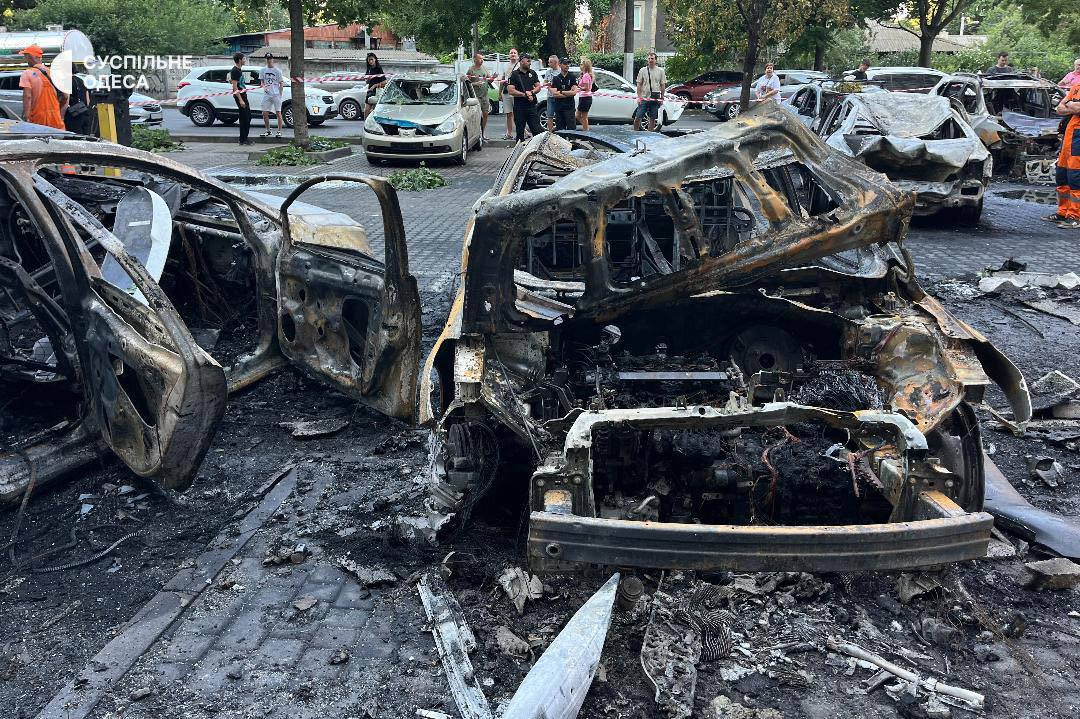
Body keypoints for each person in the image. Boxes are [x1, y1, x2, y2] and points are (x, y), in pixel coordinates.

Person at [1049, 83, 1080, 228]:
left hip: (1078, 138)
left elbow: (1077, 108)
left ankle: (1075, 216)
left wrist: (1069, 104)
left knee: (1075, 177)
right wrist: (1072, 106)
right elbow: (1059, 108)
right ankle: (1063, 212)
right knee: (1062, 175)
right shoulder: (1077, 87)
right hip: (1069, 136)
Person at [18, 45, 66, 130]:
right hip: (55, 118)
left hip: (38, 119)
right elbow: (65, 96)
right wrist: (57, 109)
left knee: (39, 138)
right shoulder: (53, 73)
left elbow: (27, 96)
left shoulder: (27, 73)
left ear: (30, 57)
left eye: (26, 56)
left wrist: (26, 116)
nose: (26, 59)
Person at [508, 52, 541, 141]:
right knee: (520, 133)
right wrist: (524, 94)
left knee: (536, 131)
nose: (530, 63)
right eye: (528, 61)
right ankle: (519, 149)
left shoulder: (532, 73)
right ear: (522, 61)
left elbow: (538, 87)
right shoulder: (514, 74)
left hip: (531, 106)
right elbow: (511, 90)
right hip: (519, 107)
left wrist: (531, 92)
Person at [634, 51, 666, 131]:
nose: (650, 60)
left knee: (652, 118)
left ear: (656, 60)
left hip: (655, 98)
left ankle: (649, 135)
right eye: (649, 59)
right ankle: (635, 133)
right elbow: (639, 84)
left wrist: (662, 97)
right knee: (638, 117)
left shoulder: (661, 71)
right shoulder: (642, 70)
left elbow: (662, 85)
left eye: (652, 58)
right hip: (644, 98)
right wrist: (639, 97)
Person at [466, 52, 491, 141]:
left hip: (485, 95)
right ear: (475, 59)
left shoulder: (484, 68)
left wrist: (493, 78)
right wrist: (475, 83)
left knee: (485, 114)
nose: (482, 60)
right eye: (480, 58)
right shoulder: (471, 70)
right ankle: (476, 135)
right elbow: (467, 83)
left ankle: (482, 133)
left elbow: (490, 79)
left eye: (482, 59)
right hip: (476, 96)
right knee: (477, 115)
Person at [259, 52, 285, 138]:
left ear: (273, 59)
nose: (269, 60)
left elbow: (281, 83)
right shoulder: (263, 70)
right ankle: (268, 130)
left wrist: (280, 93)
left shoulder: (277, 71)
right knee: (264, 113)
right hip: (267, 94)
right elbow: (262, 81)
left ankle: (279, 131)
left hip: (276, 94)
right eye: (267, 59)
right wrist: (264, 87)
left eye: (270, 59)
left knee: (278, 112)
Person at [229, 52, 252, 145]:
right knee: (245, 118)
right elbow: (235, 88)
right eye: (244, 59)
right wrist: (240, 100)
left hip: (243, 95)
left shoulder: (239, 70)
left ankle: (243, 138)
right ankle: (243, 139)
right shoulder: (235, 71)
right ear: (239, 60)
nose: (245, 60)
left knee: (247, 117)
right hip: (240, 96)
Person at [549, 57, 577, 131]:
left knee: (571, 130)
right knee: (560, 130)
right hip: (559, 108)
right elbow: (555, 94)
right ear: (560, 64)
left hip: (569, 107)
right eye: (565, 64)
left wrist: (561, 92)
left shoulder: (572, 77)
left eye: (568, 64)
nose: (567, 65)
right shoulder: (556, 78)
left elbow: (574, 93)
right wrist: (568, 93)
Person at [64, 69, 93, 135]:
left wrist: (62, 115)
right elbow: (88, 101)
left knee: (74, 137)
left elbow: (66, 99)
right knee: (85, 136)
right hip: (85, 112)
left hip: (73, 115)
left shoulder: (67, 82)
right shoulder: (81, 81)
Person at [501, 48, 519, 139]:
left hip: (516, 92)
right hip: (506, 92)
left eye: (514, 53)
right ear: (509, 55)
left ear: (517, 55)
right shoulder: (505, 66)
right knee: (508, 113)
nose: (513, 54)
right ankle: (509, 133)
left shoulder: (520, 65)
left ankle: (520, 133)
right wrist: (500, 92)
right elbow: (502, 79)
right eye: (511, 53)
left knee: (518, 113)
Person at [363, 53, 387, 119]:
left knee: (376, 111)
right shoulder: (369, 68)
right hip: (370, 91)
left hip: (378, 92)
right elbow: (367, 82)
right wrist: (367, 79)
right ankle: (366, 123)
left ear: (375, 59)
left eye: (372, 59)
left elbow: (385, 82)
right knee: (366, 110)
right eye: (369, 60)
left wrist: (374, 86)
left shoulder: (379, 68)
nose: (370, 61)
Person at [576, 56, 594, 131]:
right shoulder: (584, 75)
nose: (580, 66)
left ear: (585, 66)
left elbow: (586, 88)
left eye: (581, 64)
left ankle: (586, 129)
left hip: (585, 97)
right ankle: (586, 128)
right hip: (584, 97)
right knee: (580, 116)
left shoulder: (586, 75)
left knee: (582, 116)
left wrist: (579, 87)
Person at [543, 54, 559, 130]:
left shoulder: (560, 71)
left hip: (559, 97)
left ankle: (560, 132)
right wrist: (547, 84)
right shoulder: (548, 72)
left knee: (559, 115)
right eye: (549, 62)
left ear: (556, 63)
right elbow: (544, 82)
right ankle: (550, 132)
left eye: (550, 62)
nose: (549, 64)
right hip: (550, 96)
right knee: (549, 115)